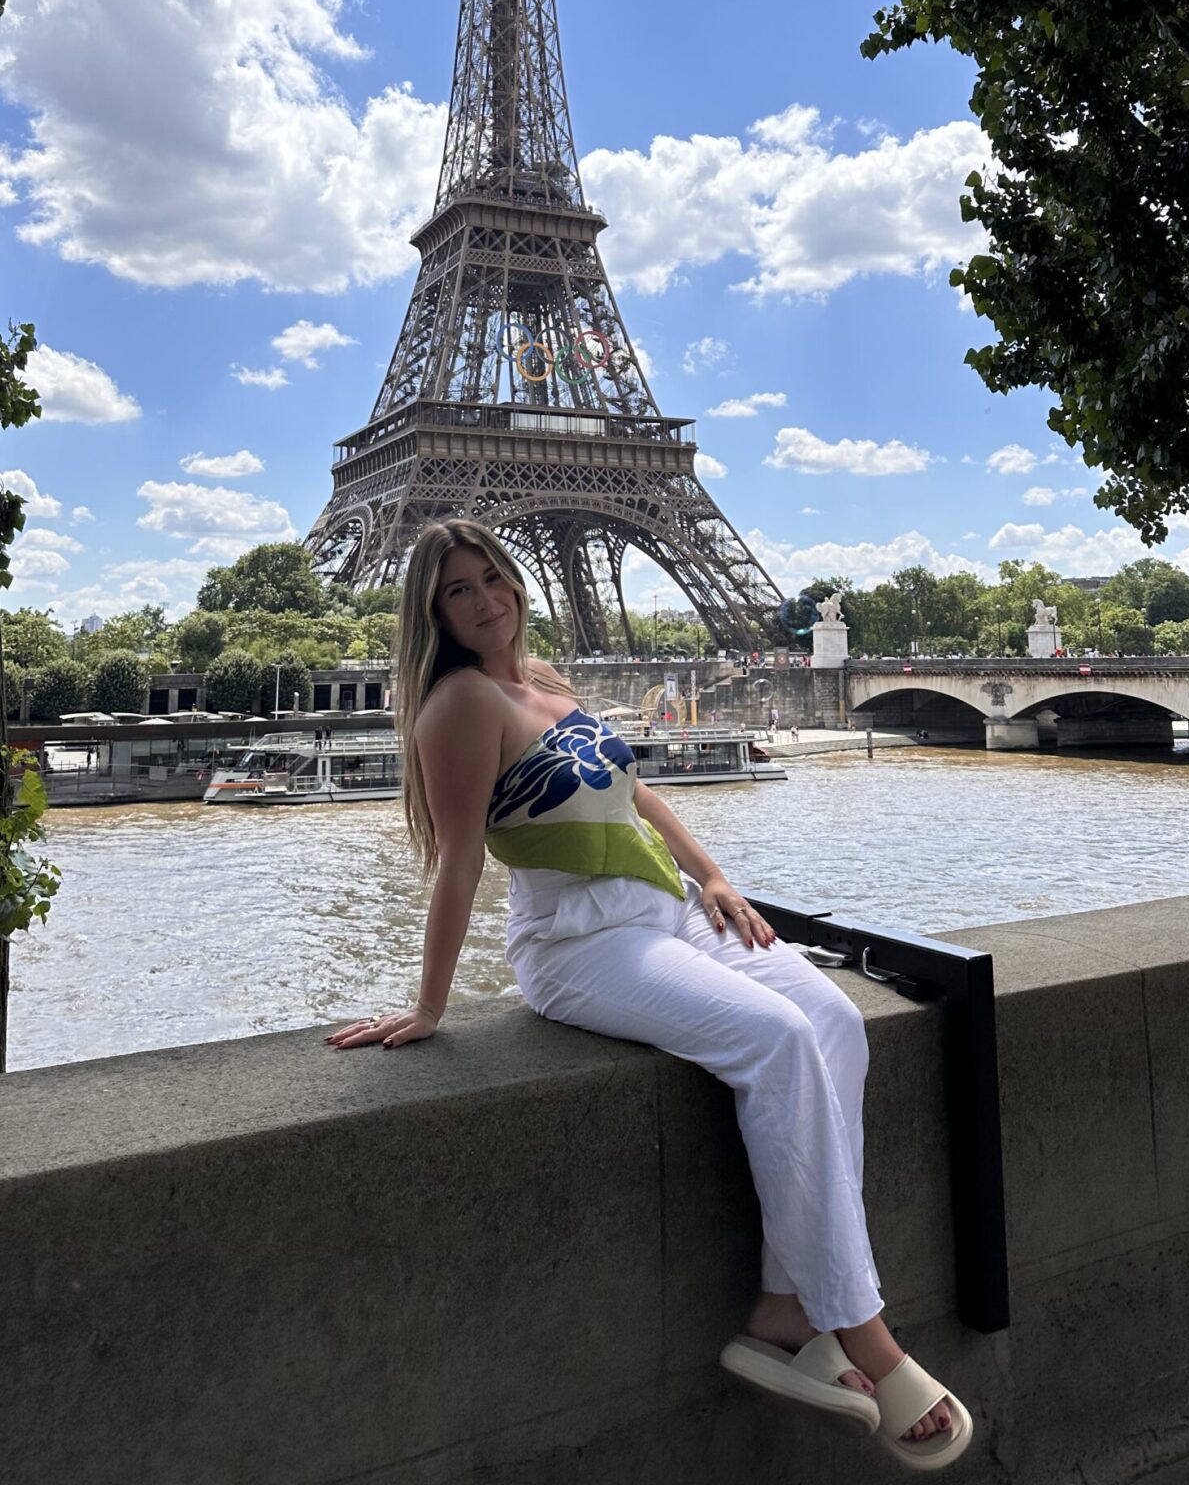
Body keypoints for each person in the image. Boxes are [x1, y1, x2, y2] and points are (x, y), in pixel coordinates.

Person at [326, 520, 972, 1469]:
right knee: (778, 1041)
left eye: (493, 576)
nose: (486, 597)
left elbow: (638, 797)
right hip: (581, 943)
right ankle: (865, 1332)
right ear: (434, 614)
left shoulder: (545, 686)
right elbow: (459, 860)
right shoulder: (459, 706)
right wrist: (431, 1004)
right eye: (458, 590)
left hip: (669, 915)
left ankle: (785, 1310)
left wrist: (711, 875)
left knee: (833, 1019)